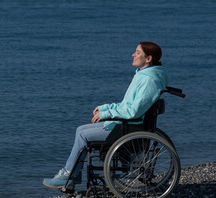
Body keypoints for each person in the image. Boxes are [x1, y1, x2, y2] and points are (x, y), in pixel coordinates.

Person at [43, 41, 170, 189]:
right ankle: (72, 175)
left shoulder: (149, 80)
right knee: (80, 130)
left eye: (137, 52)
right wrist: (104, 108)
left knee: (83, 135)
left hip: (129, 127)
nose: (133, 55)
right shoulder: (143, 75)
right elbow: (127, 105)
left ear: (148, 59)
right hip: (127, 123)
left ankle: (68, 175)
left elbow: (133, 111)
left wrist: (106, 114)